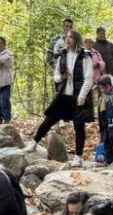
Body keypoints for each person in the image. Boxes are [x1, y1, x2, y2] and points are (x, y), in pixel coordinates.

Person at [33, 29, 94, 163]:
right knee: (49, 119)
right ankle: (33, 143)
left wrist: (82, 94)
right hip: (63, 95)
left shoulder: (85, 56)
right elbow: (55, 77)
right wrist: (62, 77)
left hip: (78, 95)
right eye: (66, 37)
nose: (67, 39)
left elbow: (89, 78)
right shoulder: (62, 54)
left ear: (76, 39)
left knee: (79, 126)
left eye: (71, 37)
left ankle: (78, 157)